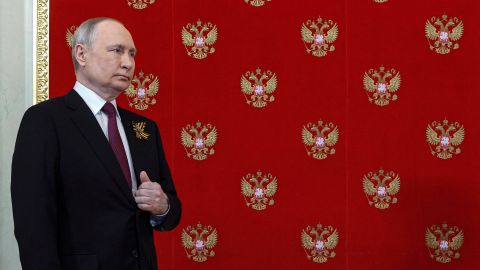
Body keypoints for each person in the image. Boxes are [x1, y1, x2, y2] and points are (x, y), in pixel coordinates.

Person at [11, 17, 181, 270]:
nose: (128, 63)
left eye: (132, 54)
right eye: (117, 51)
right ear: (81, 53)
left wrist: (162, 206)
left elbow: (172, 211)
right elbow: (32, 222)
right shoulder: (45, 120)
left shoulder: (144, 128)